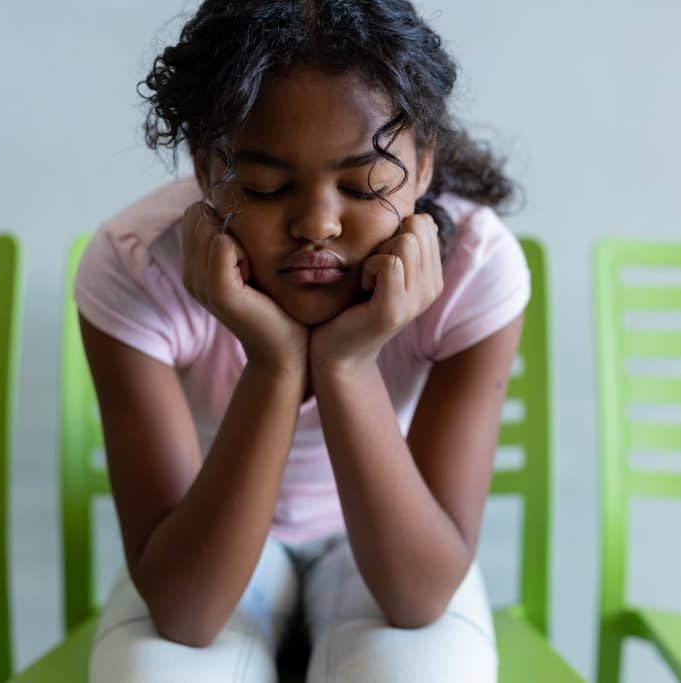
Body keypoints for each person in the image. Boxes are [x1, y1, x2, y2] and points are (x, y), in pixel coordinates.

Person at [75, 1, 530, 680]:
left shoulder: (474, 269)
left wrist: (347, 365)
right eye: (265, 185)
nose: (318, 223)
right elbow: (185, 611)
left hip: (386, 531)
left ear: (424, 165)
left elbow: (418, 595)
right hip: (216, 528)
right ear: (206, 169)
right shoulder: (136, 265)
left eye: (361, 181)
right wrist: (274, 361)